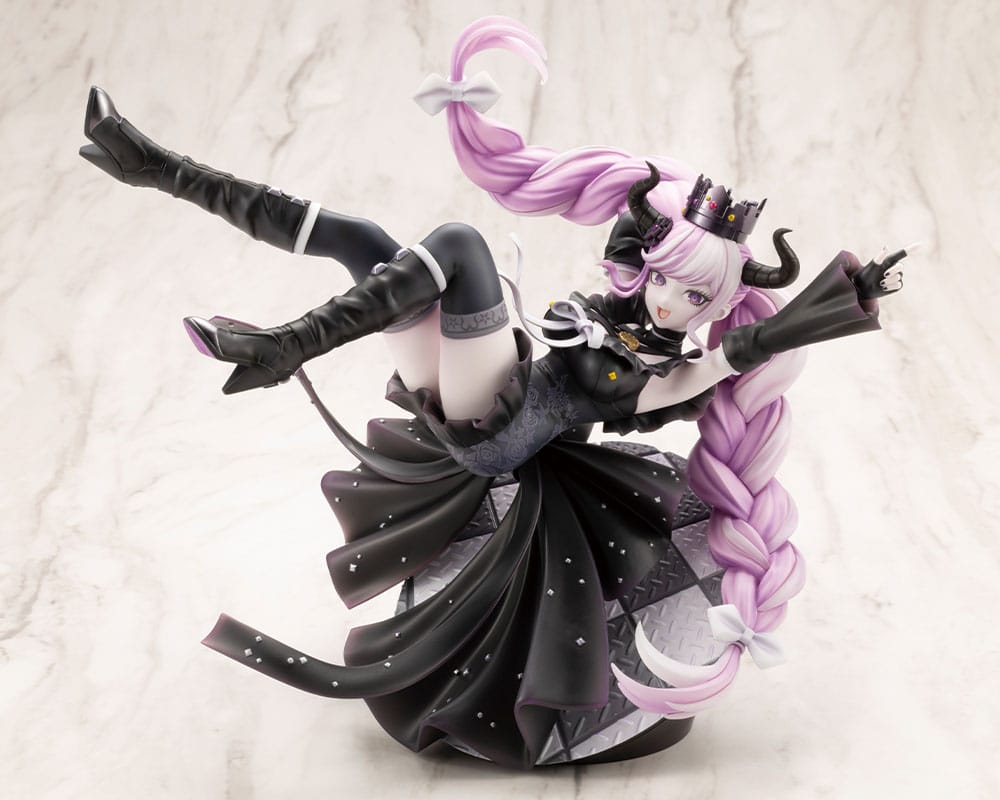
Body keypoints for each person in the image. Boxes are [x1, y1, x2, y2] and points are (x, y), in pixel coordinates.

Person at [78, 17, 907, 769]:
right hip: (487, 391)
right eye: (667, 279)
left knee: (460, 248)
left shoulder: (673, 371)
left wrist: (846, 298)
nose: (670, 302)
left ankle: (280, 345)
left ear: (715, 305)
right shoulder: (617, 313)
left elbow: (750, 349)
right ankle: (155, 166)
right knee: (362, 240)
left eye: (696, 297)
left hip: (494, 429)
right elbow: (628, 242)